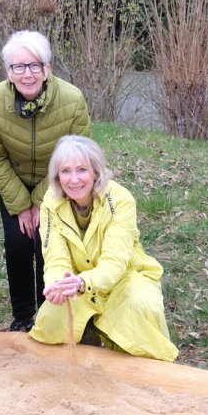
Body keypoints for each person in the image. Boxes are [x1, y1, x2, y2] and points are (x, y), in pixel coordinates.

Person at [29, 135, 178, 362]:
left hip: (125, 277)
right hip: (76, 280)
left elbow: (115, 261)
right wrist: (57, 284)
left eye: (82, 170)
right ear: (57, 176)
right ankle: (87, 342)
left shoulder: (120, 199)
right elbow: (55, 256)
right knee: (50, 318)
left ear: (96, 172)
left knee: (143, 306)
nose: (74, 180)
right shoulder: (50, 201)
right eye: (66, 171)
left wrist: (83, 283)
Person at [0, 30, 91, 332]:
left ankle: (48, 313)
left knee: (47, 242)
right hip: (11, 179)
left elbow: (78, 156)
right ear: (8, 72)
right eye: (18, 66)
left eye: (34, 65)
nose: (26, 73)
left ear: (47, 69)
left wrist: (41, 202)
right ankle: (23, 316)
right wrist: (21, 205)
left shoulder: (72, 99)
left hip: (58, 182)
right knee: (17, 242)